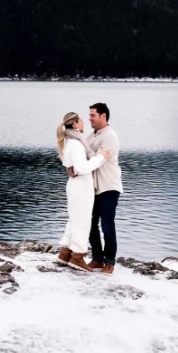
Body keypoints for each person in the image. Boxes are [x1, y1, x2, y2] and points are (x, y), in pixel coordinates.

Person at [55, 111, 110, 272]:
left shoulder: (69, 141)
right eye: (81, 121)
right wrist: (101, 158)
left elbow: (73, 167)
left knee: (74, 219)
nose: (84, 123)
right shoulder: (76, 144)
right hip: (81, 186)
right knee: (82, 221)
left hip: (74, 184)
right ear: (74, 124)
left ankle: (65, 252)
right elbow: (82, 168)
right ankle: (78, 256)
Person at [86, 102, 121, 274]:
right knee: (90, 224)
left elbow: (98, 160)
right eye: (90, 115)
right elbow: (83, 154)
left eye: (93, 115)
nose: (89, 118)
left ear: (103, 116)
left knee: (107, 224)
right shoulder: (92, 136)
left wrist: (89, 155)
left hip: (109, 187)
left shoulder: (110, 136)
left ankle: (110, 261)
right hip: (93, 188)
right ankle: (97, 259)